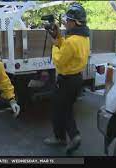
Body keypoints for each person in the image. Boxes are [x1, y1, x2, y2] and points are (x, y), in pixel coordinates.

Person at [43, 3, 90, 154]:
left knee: (60, 109)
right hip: (76, 79)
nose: (65, 23)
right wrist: (59, 37)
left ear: (75, 22)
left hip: (66, 81)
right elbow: (69, 51)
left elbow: (59, 59)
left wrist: (55, 44)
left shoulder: (71, 41)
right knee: (64, 108)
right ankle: (65, 136)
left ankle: (68, 137)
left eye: (68, 20)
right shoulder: (83, 38)